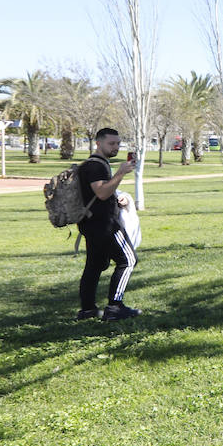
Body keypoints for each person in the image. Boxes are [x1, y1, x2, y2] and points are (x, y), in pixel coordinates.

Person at [77, 128, 142, 321]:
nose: (116, 147)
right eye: (111, 143)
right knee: (128, 260)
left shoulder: (95, 164)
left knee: (94, 265)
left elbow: (102, 193)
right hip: (105, 225)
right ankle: (115, 306)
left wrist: (118, 198)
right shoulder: (96, 166)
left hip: (91, 224)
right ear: (98, 143)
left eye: (118, 143)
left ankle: (88, 309)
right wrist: (120, 173)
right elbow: (102, 192)